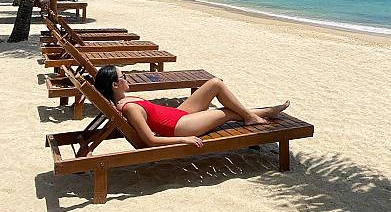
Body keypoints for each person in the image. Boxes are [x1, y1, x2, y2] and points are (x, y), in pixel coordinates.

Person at [94, 66, 290, 148]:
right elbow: (150, 140)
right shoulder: (130, 108)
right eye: (123, 77)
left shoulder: (126, 99)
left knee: (215, 83)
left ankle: (252, 114)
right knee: (226, 113)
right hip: (181, 125)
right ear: (114, 85)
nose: (127, 78)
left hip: (178, 114)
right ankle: (263, 112)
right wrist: (185, 139)